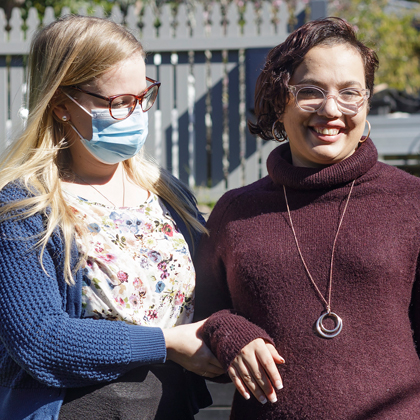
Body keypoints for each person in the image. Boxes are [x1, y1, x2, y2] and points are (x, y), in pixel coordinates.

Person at [194, 17, 420, 419]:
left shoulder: (411, 202)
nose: (331, 109)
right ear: (280, 100)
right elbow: (199, 319)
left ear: (366, 104)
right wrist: (229, 332)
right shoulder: (235, 212)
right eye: (310, 92)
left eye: (350, 93)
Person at [0, 15, 224, 420]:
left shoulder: (166, 192)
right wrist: (165, 343)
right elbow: (39, 340)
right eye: (119, 103)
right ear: (61, 106)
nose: (137, 114)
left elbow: (208, 302)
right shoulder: (23, 205)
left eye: (144, 96)